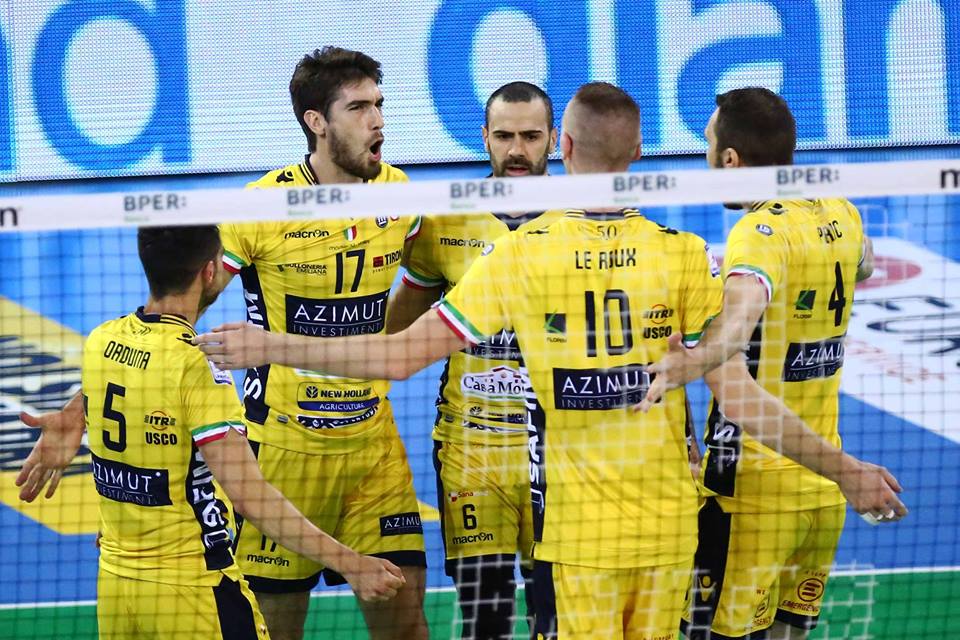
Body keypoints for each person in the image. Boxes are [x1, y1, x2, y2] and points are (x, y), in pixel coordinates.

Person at [196, 83, 906, 640]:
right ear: (639, 154)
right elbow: (743, 397)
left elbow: (396, 355)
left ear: (560, 145)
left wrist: (271, 344)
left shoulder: (523, 255)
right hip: (668, 532)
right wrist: (846, 469)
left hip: (579, 537)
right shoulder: (685, 255)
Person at [17, 46, 428, 640]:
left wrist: (382, 350)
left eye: (380, 105)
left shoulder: (401, 197)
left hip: (375, 452)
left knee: (406, 627)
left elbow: (417, 288)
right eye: (359, 107)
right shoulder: (261, 209)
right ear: (316, 121)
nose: (378, 121)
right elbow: (173, 315)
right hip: (282, 453)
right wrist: (81, 411)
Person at [639, 88, 906, 640]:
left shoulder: (756, 236)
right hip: (822, 497)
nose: (706, 161)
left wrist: (697, 359)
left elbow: (739, 322)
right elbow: (863, 264)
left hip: (752, 498)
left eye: (708, 147)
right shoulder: (841, 210)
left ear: (730, 159)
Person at [81, 226, 404, 639]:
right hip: (193, 591)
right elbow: (251, 497)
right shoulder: (197, 365)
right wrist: (352, 564)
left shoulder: (101, 341)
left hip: (115, 586)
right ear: (210, 272)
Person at [387, 81, 559, 639]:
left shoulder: (581, 220)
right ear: (484, 137)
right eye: (504, 136)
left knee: (557, 619)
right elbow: (397, 330)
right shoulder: (447, 222)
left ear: (554, 139)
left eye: (531, 136)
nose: (517, 150)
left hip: (561, 450)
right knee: (485, 621)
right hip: (471, 451)